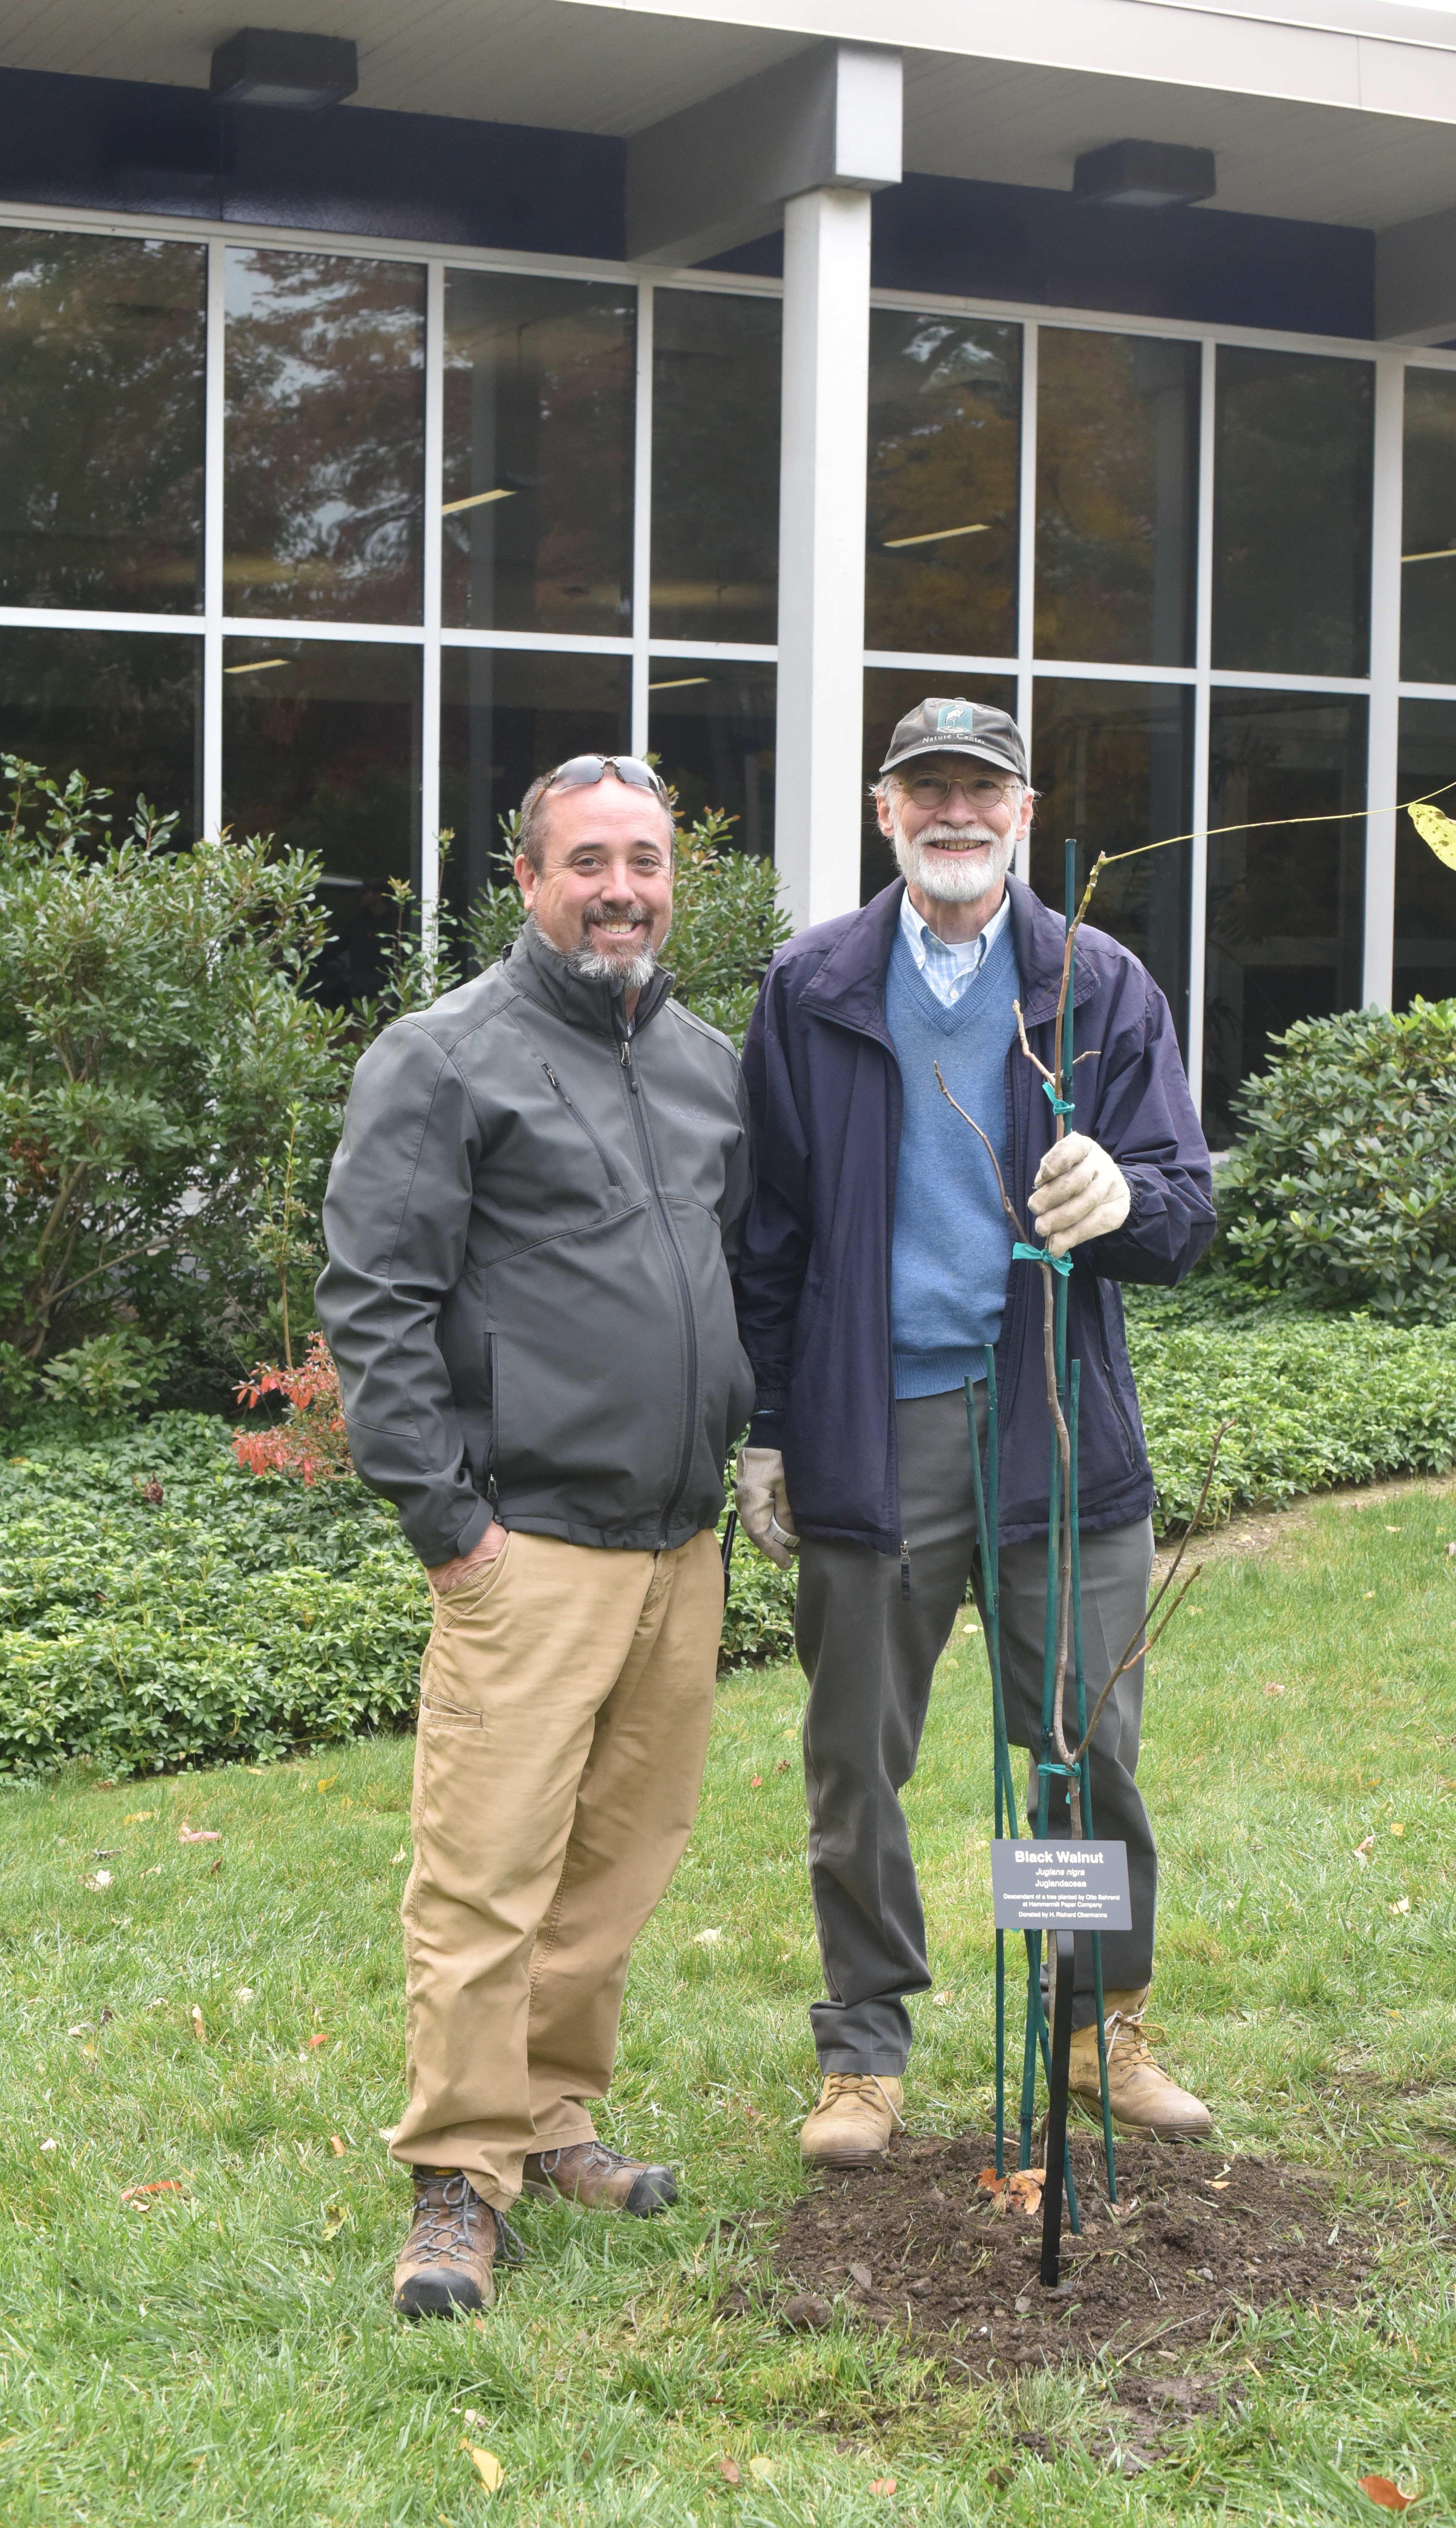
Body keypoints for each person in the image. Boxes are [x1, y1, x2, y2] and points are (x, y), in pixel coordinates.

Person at [733, 697, 1217, 2169]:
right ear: (886, 814)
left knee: (1074, 1750)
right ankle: (865, 2052)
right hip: (869, 1436)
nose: (955, 811)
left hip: (1051, 1430)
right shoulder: (814, 988)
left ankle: (1090, 2025)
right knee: (855, 1759)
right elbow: (767, 1234)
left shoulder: (1094, 982)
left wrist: (1122, 1202)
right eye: (925, 788)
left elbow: (1184, 1210)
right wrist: (767, 1432)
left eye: (981, 790)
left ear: (1025, 811)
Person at [316, 754, 754, 2316]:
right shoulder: (445, 1060)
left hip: (679, 1547)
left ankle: (555, 2117)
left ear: (674, 876)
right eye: (588, 861)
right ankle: (455, 2178)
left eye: (645, 856)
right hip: (530, 1547)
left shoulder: (706, 1060)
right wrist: (450, 1529)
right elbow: (377, 1304)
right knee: (487, 1874)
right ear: (527, 880)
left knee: (619, 1864)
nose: (620, 886)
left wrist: (748, 1446)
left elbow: (736, 1275)